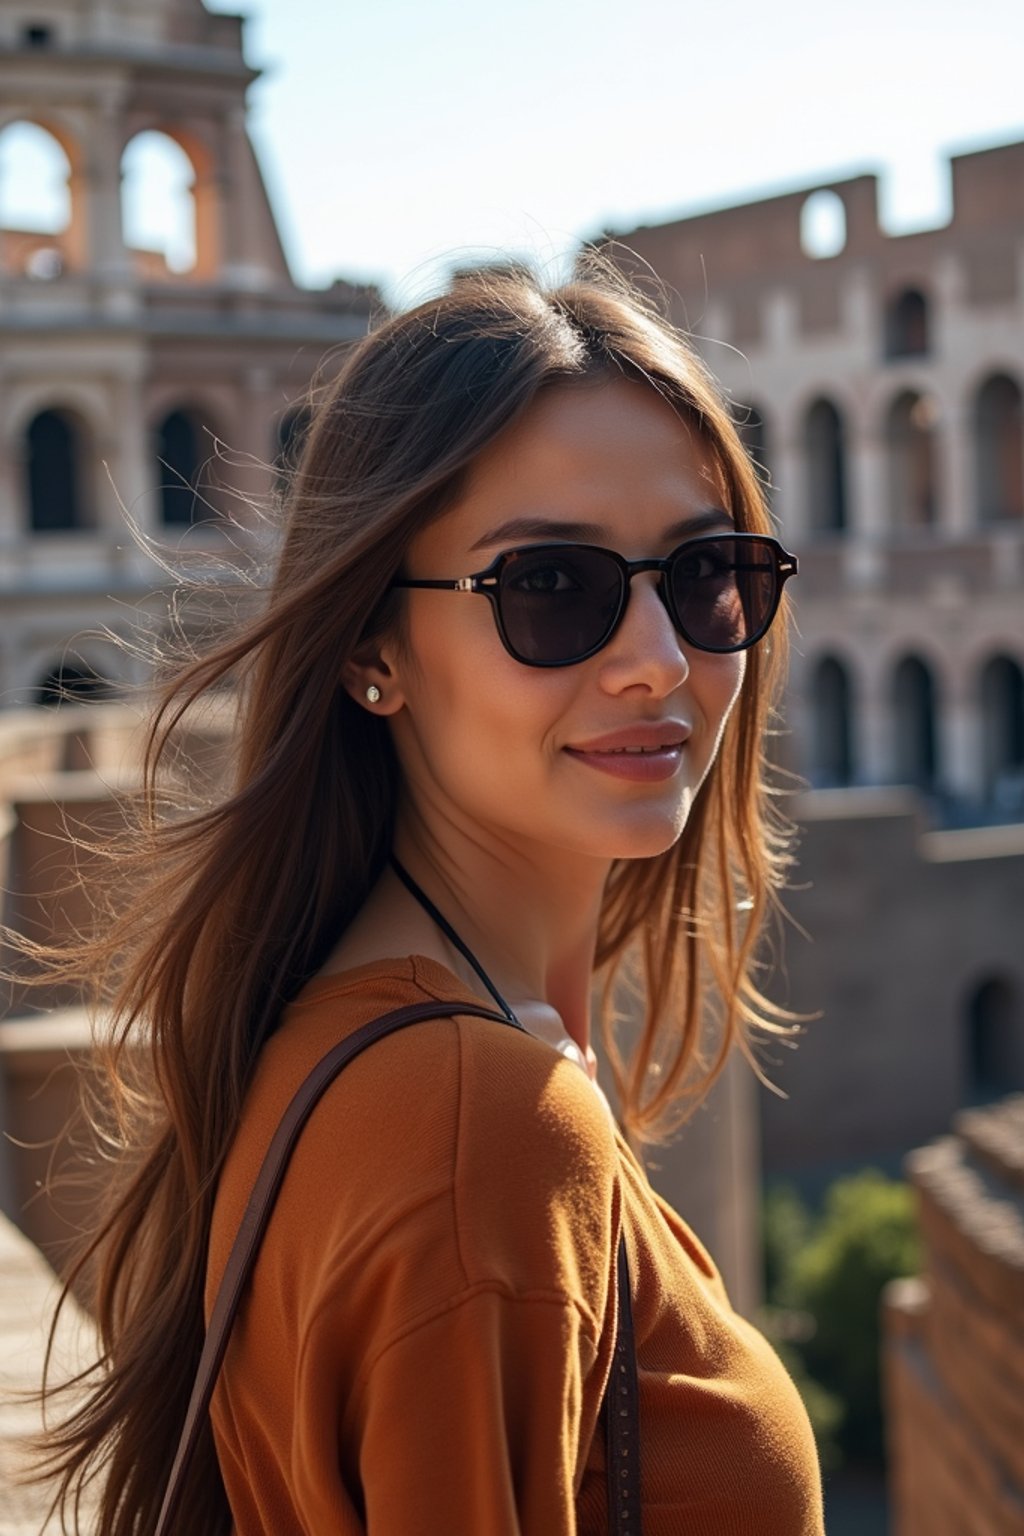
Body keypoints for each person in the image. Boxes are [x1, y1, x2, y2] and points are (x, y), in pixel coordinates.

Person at [34, 264, 823, 1534]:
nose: (659, 661)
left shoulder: (393, 1059)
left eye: (704, 575)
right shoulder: (479, 1131)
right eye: (550, 588)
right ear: (370, 650)